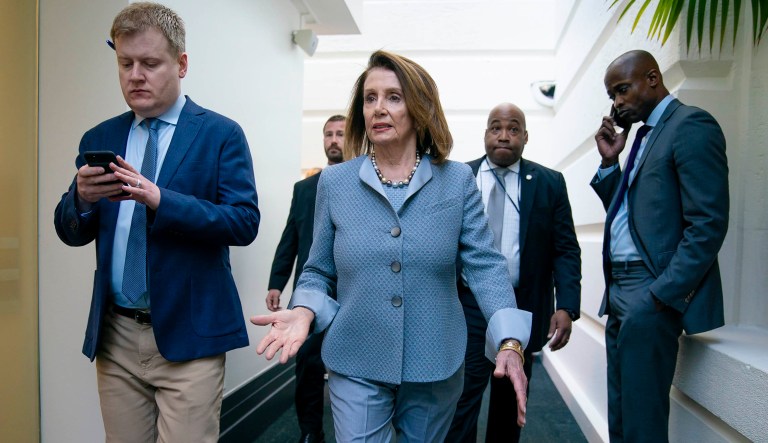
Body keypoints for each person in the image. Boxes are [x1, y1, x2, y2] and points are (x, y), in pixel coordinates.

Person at [251, 50, 532, 442]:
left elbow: (485, 265)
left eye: (393, 97)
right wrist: (303, 309)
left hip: (437, 360)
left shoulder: (456, 182)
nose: (379, 108)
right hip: (355, 354)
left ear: (419, 108)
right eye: (370, 98)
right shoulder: (335, 184)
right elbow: (318, 270)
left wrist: (509, 339)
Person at [53, 3, 260, 441]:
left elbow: (244, 223)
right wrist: (81, 199)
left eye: (149, 63)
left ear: (181, 64)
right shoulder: (100, 138)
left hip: (191, 335)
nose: (135, 75)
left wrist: (162, 200)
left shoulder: (221, 134)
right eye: (125, 63)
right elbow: (70, 231)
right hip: (117, 336)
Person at [592, 50, 728, 442]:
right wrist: (608, 164)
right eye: (612, 95)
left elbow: (708, 223)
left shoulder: (690, 125)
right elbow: (633, 213)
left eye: (622, 90)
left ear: (652, 78)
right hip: (620, 290)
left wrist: (661, 295)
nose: (617, 103)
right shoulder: (642, 136)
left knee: (643, 419)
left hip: (649, 291)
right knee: (621, 414)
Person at [447, 103, 582, 442]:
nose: (504, 135)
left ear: (525, 136)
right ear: (485, 134)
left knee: (510, 401)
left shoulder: (549, 183)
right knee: (461, 397)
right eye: (496, 127)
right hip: (468, 306)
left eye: (513, 128)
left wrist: (566, 305)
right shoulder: (458, 177)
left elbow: (565, 248)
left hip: (521, 307)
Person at [266, 114, 346, 443]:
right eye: (328, 134)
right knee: (308, 364)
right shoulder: (304, 189)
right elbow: (291, 238)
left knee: (351, 364)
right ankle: (310, 431)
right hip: (311, 294)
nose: (333, 140)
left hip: (353, 291)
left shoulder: (363, 182)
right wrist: (276, 282)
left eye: (341, 133)